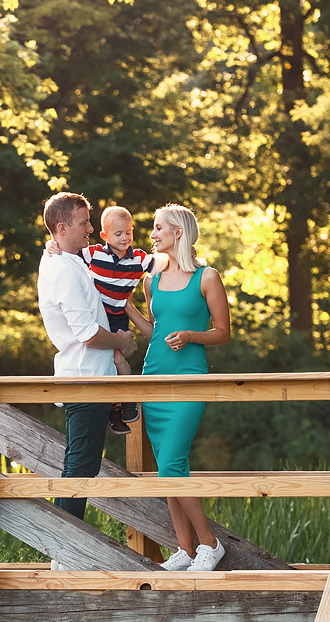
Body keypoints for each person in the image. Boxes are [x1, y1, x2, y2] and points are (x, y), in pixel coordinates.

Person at [36, 192, 143, 537]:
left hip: (94, 376)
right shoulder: (63, 270)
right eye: (84, 223)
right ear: (63, 227)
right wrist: (122, 342)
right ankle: (63, 549)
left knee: (83, 462)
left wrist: (49, 245)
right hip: (85, 379)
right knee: (81, 464)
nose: (90, 229)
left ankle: (64, 547)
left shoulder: (69, 260)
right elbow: (86, 334)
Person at [138, 203, 231, 570]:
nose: (153, 233)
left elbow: (222, 333)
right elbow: (154, 332)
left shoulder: (206, 277)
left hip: (190, 378)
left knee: (172, 462)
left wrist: (192, 335)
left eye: (159, 227)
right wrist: (127, 310)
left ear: (179, 231)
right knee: (168, 467)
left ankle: (210, 543)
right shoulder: (150, 280)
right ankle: (186, 550)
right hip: (153, 378)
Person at [84, 206, 149, 434]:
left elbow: (165, 264)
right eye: (118, 234)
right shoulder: (94, 253)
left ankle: (129, 400)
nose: (124, 238)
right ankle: (114, 411)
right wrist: (51, 247)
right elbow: (67, 253)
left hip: (118, 317)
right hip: (97, 319)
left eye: (128, 232)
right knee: (103, 363)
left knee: (119, 357)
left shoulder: (139, 258)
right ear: (105, 236)